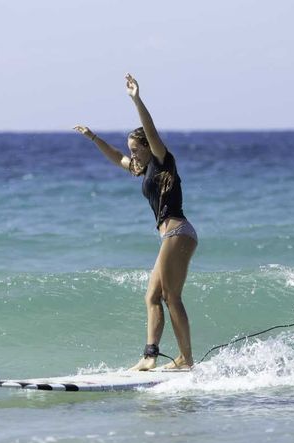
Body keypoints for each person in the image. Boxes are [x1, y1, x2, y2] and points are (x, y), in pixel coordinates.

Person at [74, 74, 198, 371]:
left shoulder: (161, 159)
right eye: (131, 149)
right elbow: (117, 158)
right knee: (152, 296)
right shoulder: (145, 170)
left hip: (178, 232)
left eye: (136, 148)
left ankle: (186, 359)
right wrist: (93, 137)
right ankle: (150, 356)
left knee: (171, 296)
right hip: (169, 237)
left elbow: (151, 130)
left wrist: (136, 99)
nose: (132, 153)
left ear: (148, 146)